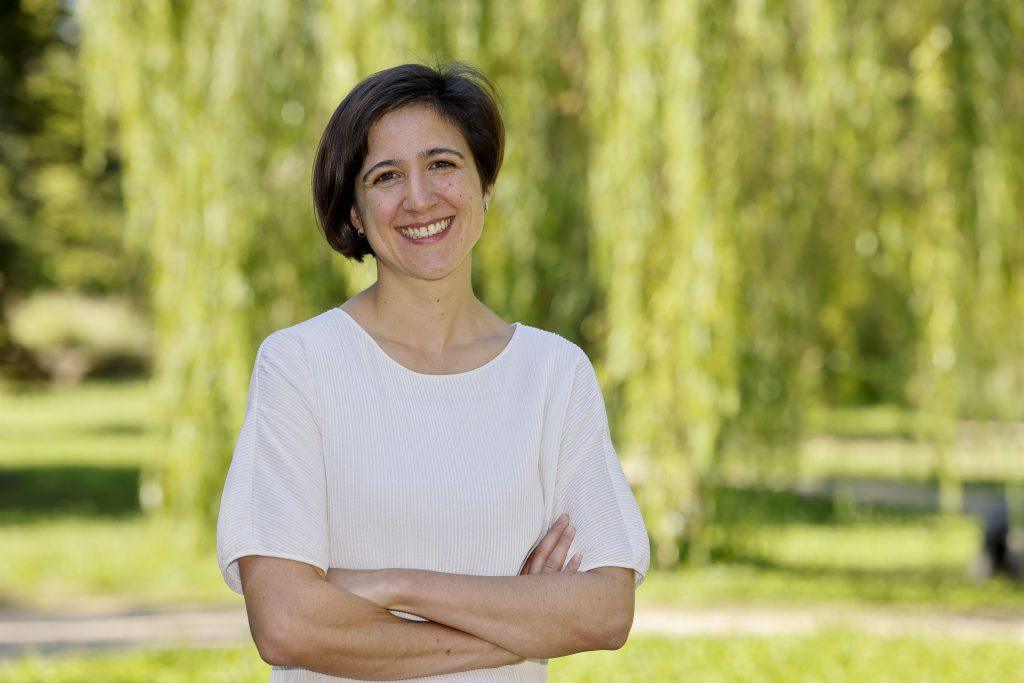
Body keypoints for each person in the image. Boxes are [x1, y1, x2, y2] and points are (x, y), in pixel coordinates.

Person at [216, 62, 650, 682]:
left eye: (442, 164)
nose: (419, 199)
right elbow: (287, 624)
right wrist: (523, 621)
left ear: (485, 185)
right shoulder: (300, 365)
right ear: (355, 213)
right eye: (386, 176)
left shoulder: (554, 374)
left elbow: (605, 611)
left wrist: (398, 586)